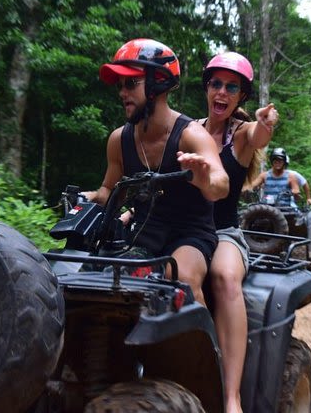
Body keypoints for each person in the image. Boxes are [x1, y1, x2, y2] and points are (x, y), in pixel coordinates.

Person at [83, 39, 229, 306]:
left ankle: (207, 348)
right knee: (95, 276)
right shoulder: (119, 140)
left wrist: (203, 178)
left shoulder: (190, 135)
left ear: (157, 83)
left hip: (191, 235)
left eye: (130, 83)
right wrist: (89, 198)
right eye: (120, 85)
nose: (122, 93)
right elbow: (109, 190)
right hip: (145, 234)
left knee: (181, 276)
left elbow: (222, 184)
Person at [200, 52, 278, 413]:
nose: (222, 91)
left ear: (241, 98)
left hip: (224, 233)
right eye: (216, 83)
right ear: (207, 88)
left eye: (232, 87)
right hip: (185, 230)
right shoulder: (189, 131)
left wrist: (266, 124)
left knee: (225, 277)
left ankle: (231, 398)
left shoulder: (241, 135)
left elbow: (259, 136)